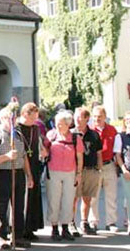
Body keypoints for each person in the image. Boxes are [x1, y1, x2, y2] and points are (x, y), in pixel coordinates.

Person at [0, 106, 33, 249]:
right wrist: (6, 157)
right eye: (8, 118)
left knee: (18, 205)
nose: (11, 121)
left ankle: (17, 235)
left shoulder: (18, 135)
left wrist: (29, 175)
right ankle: (1, 235)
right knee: (2, 205)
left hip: (18, 172)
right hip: (3, 173)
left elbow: (24, 156)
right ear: (1, 119)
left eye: (13, 118)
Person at [45, 111, 84, 241]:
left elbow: (79, 156)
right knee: (53, 199)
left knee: (68, 200)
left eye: (61, 124)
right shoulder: (51, 135)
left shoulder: (75, 138)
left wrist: (79, 174)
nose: (58, 126)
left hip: (70, 173)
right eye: (57, 124)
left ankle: (66, 228)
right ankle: (54, 228)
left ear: (68, 124)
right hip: (53, 172)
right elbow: (44, 152)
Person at [72, 108, 103, 236]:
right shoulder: (71, 133)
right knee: (73, 198)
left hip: (90, 169)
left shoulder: (94, 135)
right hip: (75, 170)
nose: (77, 120)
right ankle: (71, 222)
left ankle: (84, 222)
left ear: (86, 119)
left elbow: (99, 153)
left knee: (87, 198)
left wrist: (99, 169)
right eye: (76, 117)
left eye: (80, 117)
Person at [88, 106, 119, 233]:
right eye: (94, 116)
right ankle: (93, 221)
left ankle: (111, 222)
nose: (97, 119)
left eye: (99, 116)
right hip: (94, 167)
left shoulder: (112, 130)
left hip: (109, 165)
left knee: (111, 195)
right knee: (92, 196)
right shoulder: (89, 130)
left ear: (105, 117)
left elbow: (117, 149)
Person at [18, 103, 46, 241]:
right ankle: (20, 229)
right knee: (22, 200)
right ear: (24, 114)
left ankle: (30, 229)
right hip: (20, 167)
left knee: (33, 199)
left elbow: (39, 144)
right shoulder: (17, 129)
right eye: (32, 117)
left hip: (34, 165)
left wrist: (43, 150)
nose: (34, 120)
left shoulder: (35, 129)